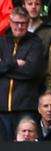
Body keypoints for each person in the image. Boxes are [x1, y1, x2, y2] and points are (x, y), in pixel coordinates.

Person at [0, 8, 45, 140]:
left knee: (25, 148)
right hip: (2, 108)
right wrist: (15, 63)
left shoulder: (35, 42)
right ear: (10, 22)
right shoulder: (2, 41)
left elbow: (32, 71)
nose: (19, 26)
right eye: (16, 23)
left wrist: (4, 67)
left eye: (23, 23)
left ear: (28, 23)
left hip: (25, 107)